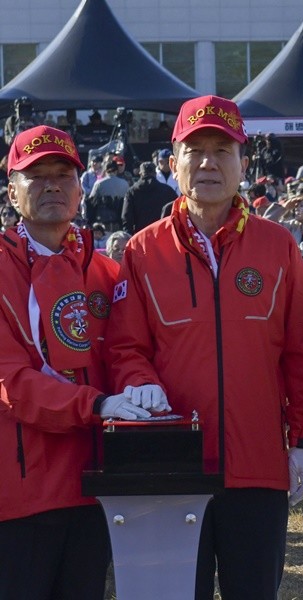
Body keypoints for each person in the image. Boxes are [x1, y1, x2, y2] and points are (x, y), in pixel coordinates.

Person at [103, 95, 303, 600]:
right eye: (195, 149)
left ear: (243, 163)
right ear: (172, 162)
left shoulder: (278, 246)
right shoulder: (142, 250)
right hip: (174, 467)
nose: (208, 162)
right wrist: (141, 385)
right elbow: (125, 347)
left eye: (222, 150)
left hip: (259, 468)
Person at [0, 125, 148, 599]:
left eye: (63, 175)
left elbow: (127, 353)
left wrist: (142, 385)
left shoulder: (104, 270)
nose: (51, 186)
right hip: (20, 494)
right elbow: (10, 382)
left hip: (95, 488)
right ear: (12, 191)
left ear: (81, 187)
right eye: (36, 176)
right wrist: (97, 405)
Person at [121, 160, 178, 233]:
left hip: (141, 235)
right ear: (155, 173)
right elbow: (176, 211)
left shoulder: (132, 192)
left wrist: (129, 235)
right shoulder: (167, 190)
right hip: (162, 233)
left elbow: (126, 217)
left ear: (140, 174)